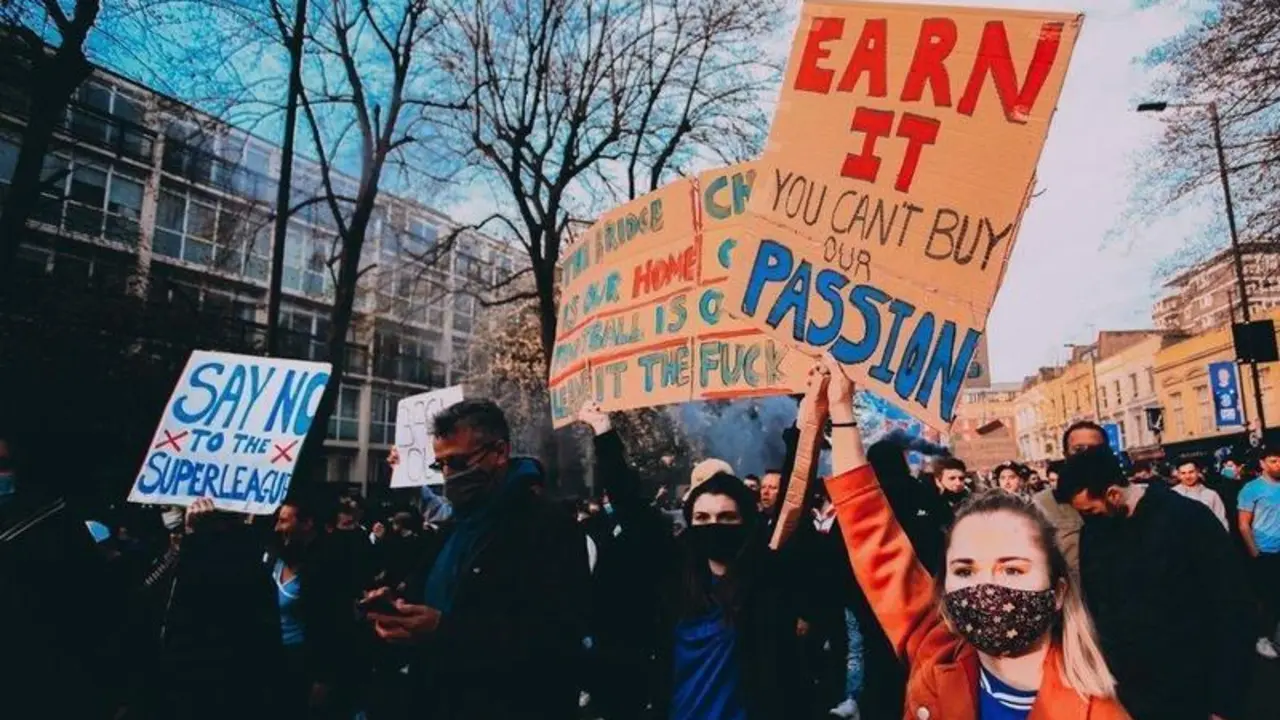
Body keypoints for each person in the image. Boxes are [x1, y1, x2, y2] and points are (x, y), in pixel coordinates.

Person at [814, 356, 1126, 719]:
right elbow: (872, 533)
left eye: (1012, 569)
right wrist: (841, 409)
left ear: (1057, 591)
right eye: (964, 571)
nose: (986, 587)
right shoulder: (938, 652)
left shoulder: (1099, 711)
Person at [364, 399, 588, 720]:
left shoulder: (548, 527)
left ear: (500, 452)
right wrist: (398, 607)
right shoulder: (454, 527)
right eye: (441, 465)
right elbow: (431, 595)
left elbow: (554, 641)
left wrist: (443, 630)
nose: (448, 474)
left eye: (458, 462)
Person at [1057, 445, 1254, 719]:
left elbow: (1232, 608)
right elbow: (1097, 605)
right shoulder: (1095, 532)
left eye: (1090, 511)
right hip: (1129, 691)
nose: (1086, 519)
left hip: (1192, 687)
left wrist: (1224, 702)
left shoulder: (1188, 519)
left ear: (1113, 494)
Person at [1030, 422, 1104, 579]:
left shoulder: (1121, 499)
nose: (1087, 455)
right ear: (1066, 454)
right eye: (1079, 449)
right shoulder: (1042, 504)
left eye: (1095, 449)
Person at [1239, 445, 1280, 660]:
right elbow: (1243, 524)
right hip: (1265, 551)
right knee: (1269, 598)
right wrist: (1254, 551)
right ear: (1263, 464)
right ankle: (1263, 638)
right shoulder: (1251, 489)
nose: (1278, 465)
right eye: (1273, 461)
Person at [1172, 459, 1228, 530]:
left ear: (1198, 472)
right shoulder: (1172, 494)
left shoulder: (1211, 494)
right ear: (1178, 475)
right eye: (1183, 473)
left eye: (1191, 472)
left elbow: (1222, 521)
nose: (1188, 476)